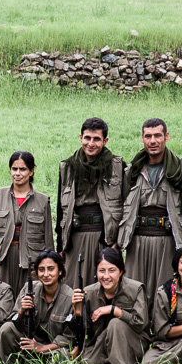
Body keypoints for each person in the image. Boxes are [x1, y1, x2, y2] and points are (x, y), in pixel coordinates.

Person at [119, 118, 182, 310]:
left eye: (157, 136)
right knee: (135, 293)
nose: (153, 141)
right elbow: (121, 206)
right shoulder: (132, 171)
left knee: (165, 294)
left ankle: (163, 336)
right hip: (137, 241)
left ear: (166, 137)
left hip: (168, 241)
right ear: (142, 139)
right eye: (148, 136)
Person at [55, 118, 127, 290]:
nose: (91, 143)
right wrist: (60, 245)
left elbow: (127, 207)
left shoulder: (118, 166)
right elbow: (60, 209)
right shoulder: (67, 167)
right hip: (75, 237)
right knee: (73, 286)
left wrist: (118, 242)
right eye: (87, 138)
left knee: (104, 285)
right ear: (80, 138)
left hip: (105, 237)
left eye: (96, 139)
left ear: (105, 141)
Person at [0, 151, 54, 289]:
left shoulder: (42, 201)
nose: (17, 173)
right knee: (3, 296)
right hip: (3, 258)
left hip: (31, 261)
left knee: (29, 299)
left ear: (31, 172)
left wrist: (49, 264)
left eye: (22, 169)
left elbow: (48, 238)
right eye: (14, 169)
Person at [72, 247, 147, 364]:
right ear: (96, 272)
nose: (106, 276)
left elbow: (140, 323)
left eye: (112, 271)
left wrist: (115, 311)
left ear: (121, 271)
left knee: (115, 323)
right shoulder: (89, 292)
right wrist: (77, 311)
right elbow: (86, 331)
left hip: (133, 342)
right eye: (102, 271)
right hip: (101, 342)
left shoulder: (136, 289)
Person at [0, 250, 75, 362]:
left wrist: (40, 348)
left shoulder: (69, 297)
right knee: (6, 329)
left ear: (60, 271)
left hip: (52, 348)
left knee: (62, 355)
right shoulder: (29, 288)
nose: (46, 274)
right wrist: (22, 311)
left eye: (51, 269)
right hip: (30, 342)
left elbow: (68, 338)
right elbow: (13, 319)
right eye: (41, 270)